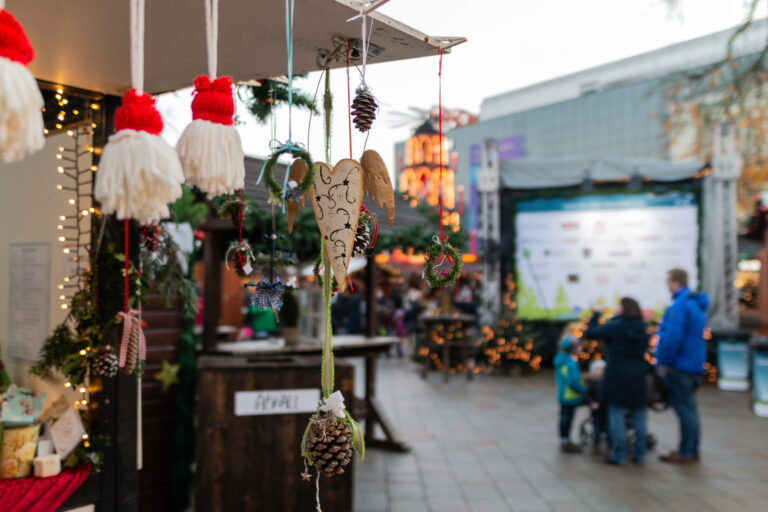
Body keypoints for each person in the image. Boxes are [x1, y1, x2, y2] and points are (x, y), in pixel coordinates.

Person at [585, 298, 650, 465]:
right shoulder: (642, 327)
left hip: (616, 377)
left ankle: (619, 455)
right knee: (639, 416)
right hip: (638, 377)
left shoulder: (614, 327)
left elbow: (590, 332)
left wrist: (596, 314)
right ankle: (640, 454)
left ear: (624, 308)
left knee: (616, 415)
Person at [656, 268, 709, 464]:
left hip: (680, 367)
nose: (667, 285)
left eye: (668, 281)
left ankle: (686, 452)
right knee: (690, 410)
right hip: (694, 365)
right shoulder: (695, 304)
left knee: (684, 411)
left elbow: (672, 338)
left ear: (675, 282)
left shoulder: (679, 306)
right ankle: (691, 449)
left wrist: (666, 363)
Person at [554, 323, 586, 453]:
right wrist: (584, 391)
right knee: (567, 418)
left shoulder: (561, 359)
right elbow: (573, 382)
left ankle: (564, 439)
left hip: (563, 395)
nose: (580, 348)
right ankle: (566, 441)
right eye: (578, 346)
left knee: (564, 418)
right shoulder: (570, 363)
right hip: (571, 395)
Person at [585, 359, 608, 454]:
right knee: (596, 429)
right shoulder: (592, 383)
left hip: (606, 411)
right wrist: (592, 403)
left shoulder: (607, 383)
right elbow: (588, 396)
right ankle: (596, 445)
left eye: (602, 370)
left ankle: (610, 445)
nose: (600, 372)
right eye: (598, 369)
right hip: (596, 412)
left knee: (608, 429)